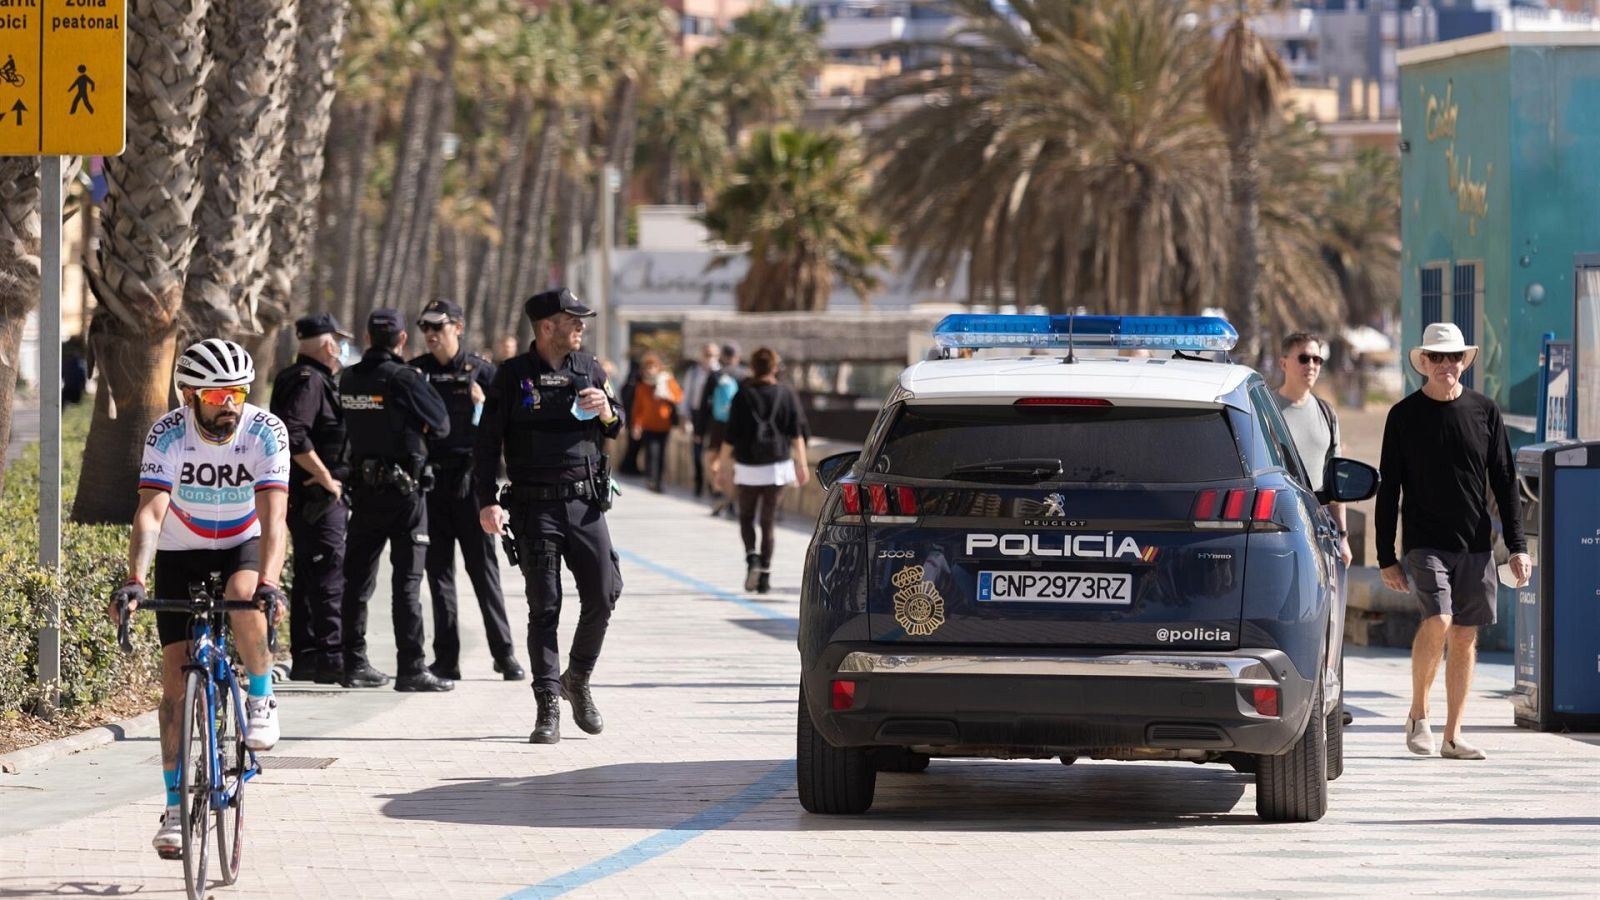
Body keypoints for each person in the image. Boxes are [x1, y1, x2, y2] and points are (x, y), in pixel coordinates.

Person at [107, 339, 290, 858]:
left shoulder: (264, 431)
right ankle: (172, 807)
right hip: (181, 550)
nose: (229, 403)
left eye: (237, 391)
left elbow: (275, 518)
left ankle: (259, 697)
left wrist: (270, 583)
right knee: (174, 685)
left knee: (243, 594)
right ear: (189, 396)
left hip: (242, 542)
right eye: (216, 395)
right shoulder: (167, 433)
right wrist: (135, 579)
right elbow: (150, 512)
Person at [474, 287, 625, 745]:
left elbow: (617, 426)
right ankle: (547, 705)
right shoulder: (512, 376)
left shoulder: (590, 368)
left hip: (584, 504)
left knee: (604, 592)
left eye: (581, 320)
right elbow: (485, 446)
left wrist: (606, 412)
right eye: (572, 320)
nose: (580, 326)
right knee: (545, 606)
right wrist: (487, 501)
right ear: (546, 327)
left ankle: (577, 677)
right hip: (535, 505)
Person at [1376, 322, 1532, 761]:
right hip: (1425, 543)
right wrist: (1386, 556)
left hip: (1476, 545)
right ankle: (1418, 714)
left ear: (1465, 361)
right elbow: (1390, 491)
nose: (1447, 364)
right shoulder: (1403, 416)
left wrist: (1517, 547)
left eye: (1455, 357)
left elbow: (1505, 482)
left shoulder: (1485, 411)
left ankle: (1452, 734)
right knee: (1439, 620)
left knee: (1464, 636)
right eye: (1437, 357)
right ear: (1423, 362)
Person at [338, 308, 454, 692]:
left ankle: (353, 662)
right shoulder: (404, 378)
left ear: (368, 337)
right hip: (404, 495)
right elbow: (441, 424)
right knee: (407, 582)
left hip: (364, 492)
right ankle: (411, 668)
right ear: (402, 339)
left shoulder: (349, 378)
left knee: (357, 581)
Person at [409, 299, 524, 682]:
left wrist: (485, 404)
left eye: (437, 327)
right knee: (438, 573)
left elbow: (512, 424)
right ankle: (446, 658)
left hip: (472, 483)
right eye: (425, 327)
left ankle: (504, 653)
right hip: (432, 483)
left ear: (457, 327)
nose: (430, 334)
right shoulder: (417, 373)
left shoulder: (482, 372)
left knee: (484, 571)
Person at [269, 313, 353, 683]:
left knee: (309, 577)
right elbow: (294, 434)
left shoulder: (301, 377)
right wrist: (326, 478)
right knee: (327, 577)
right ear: (328, 344)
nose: (341, 348)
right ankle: (329, 660)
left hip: (307, 497)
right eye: (338, 341)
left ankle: (308, 657)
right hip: (317, 496)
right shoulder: (309, 382)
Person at [712, 347, 810, 593]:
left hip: (748, 465)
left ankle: (751, 557)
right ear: (775, 367)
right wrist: (802, 464)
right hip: (777, 465)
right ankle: (765, 575)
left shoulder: (742, 395)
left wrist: (721, 467)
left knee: (746, 516)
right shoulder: (786, 394)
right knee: (768, 521)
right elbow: (796, 432)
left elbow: (730, 436)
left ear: (752, 368)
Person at [1274, 332, 1353, 568]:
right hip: (1277, 527)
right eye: (1304, 358)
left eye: (1317, 360)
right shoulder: (1266, 409)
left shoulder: (1326, 412)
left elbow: (1336, 481)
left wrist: (1343, 536)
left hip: (1321, 531)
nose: (1311, 365)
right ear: (1283, 363)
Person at [701, 343, 745, 518]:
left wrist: (699, 429)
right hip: (736, 427)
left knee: (713, 460)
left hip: (717, 426)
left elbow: (705, 404)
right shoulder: (744, 375)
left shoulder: (716, 375)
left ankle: (719, 493)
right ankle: (732, 501)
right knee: (733, 465)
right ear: (738, 357)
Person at [628, 351, 683, 493]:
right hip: (648, 425)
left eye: (653, 367)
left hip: (664, 424)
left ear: (659, 367)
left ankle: (658, 480)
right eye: (647, 367)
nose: (650, 370)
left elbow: (679, 397)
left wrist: (666, 395)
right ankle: (651, 479)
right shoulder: (641, 386)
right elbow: (638, 408)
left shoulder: (667, 381)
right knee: (652, 452)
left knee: (661, 453)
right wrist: (636, 425)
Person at [680, 343, 720, 497]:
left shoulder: (720, 374)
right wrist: (684, 418)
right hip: (698, 416)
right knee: (697, 451)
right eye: (707, 354)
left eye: (713, 354)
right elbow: (687, 396)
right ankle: (698, 481)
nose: (710, 358)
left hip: (715, 418)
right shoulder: (694, 373)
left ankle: (713, 485)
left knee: (713, 453)